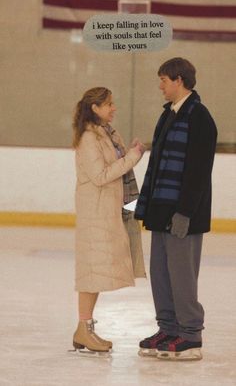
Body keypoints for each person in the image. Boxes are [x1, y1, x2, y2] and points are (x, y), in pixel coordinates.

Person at [135, 57, 217, 361]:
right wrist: (147, 207)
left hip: (183, 213)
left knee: (182, 274)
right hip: (161, 209)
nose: (160, 86)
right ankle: (169, 327)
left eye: (163, 80)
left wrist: (185, 212)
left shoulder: (200, 117)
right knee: (161, 273)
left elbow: (198, 171)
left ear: (179, 80)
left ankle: (190, 335)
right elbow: (157, 166)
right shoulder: (168, 115)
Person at [72, 87, 146, 355]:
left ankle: (85, 328)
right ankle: (84, 328)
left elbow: (117, 167)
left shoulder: (107, 134)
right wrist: (133, 156)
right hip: (96, 213)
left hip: (108, 210)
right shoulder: (89, 138)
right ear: (94, 108)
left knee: (96, 272)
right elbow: (101, 175)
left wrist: (129, 153)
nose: (113, 108)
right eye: (108, 104)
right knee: (91, 273)